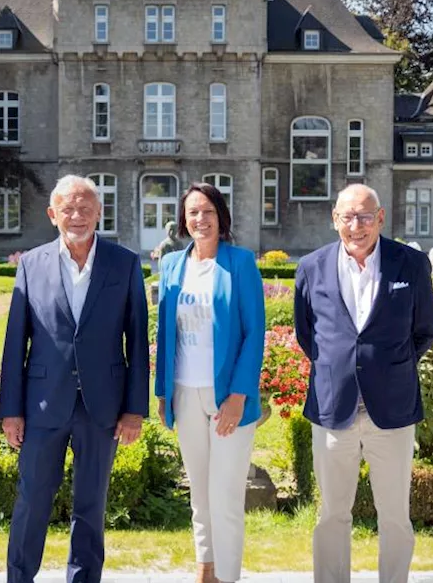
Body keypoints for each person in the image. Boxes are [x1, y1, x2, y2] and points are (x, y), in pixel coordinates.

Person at [0, 175, 150, 583]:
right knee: (32, 499)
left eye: (85, 207)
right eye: (67, 208)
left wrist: (135, 409)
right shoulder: (32, 264)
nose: (77, 216)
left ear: (99, 212)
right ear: (53, 215)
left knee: (91, 504)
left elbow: (137, 339)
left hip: (102, 405)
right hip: (44, 402)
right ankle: (19, 577)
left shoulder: (124, 262)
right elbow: (16, 343)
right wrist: (11, 411)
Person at [293, 184, 433, 583]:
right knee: (331, 515)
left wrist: (386, 368)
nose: (355, 225)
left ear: (380, 218)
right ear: (334, 219)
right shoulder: (311, 267)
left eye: (364, 216)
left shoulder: (410, 264)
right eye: (347, 216)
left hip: (391, 410)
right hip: (332, 408)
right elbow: (309, 336)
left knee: (394, 516)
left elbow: (424, 331)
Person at [154, 183, 265, 583]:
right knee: (199, 496)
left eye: (208, 212)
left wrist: (238, 395)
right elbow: (164, 331)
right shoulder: (171, 266)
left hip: (227, 398)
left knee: (226, 498)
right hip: (184, 393)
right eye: (193, 212)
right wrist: (162, 391)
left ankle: (229, 576)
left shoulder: (240, 263)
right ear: (184, 220)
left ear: (221, 218)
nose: (200, 219)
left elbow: (255, 333)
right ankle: (206, 572)